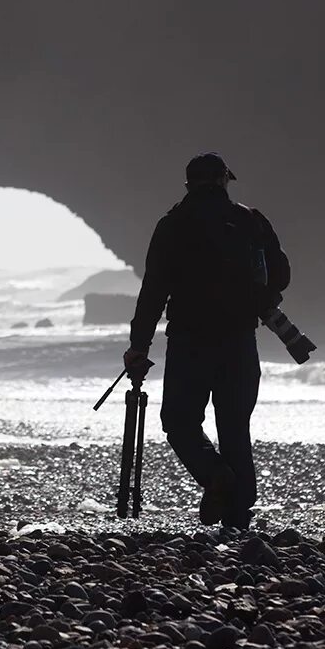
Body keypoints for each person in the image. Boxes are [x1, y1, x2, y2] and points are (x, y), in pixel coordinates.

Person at [122, 153, 290, 530]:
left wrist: (139, 346)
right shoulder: (250, 221)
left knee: (179, 423)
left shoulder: (173, 224)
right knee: (234, 426)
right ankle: (238, 515)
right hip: (240, 341)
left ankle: (215, 474)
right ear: (223, 181)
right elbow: (280, 275)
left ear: (189, 185)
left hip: (189, 342)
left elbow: (153, 291)